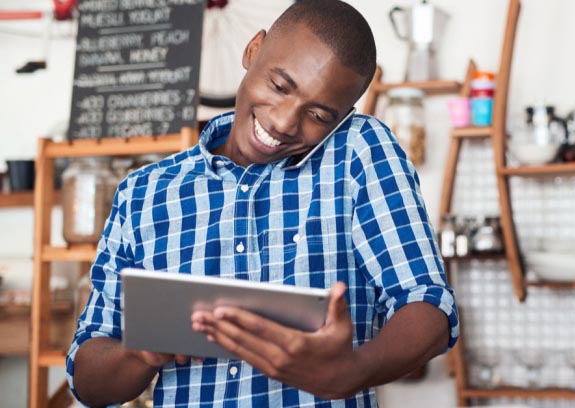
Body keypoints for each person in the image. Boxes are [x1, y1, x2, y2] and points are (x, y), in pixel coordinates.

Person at [66, 1, 459, 406]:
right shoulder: (145, 193)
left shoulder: (359, 152)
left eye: (319, 115)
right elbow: (87, 377)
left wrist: (353, 371)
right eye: (280, 86)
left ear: (343, 117)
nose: (286, 121)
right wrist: (141, 352)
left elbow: (428, 305)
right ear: (253, 50)